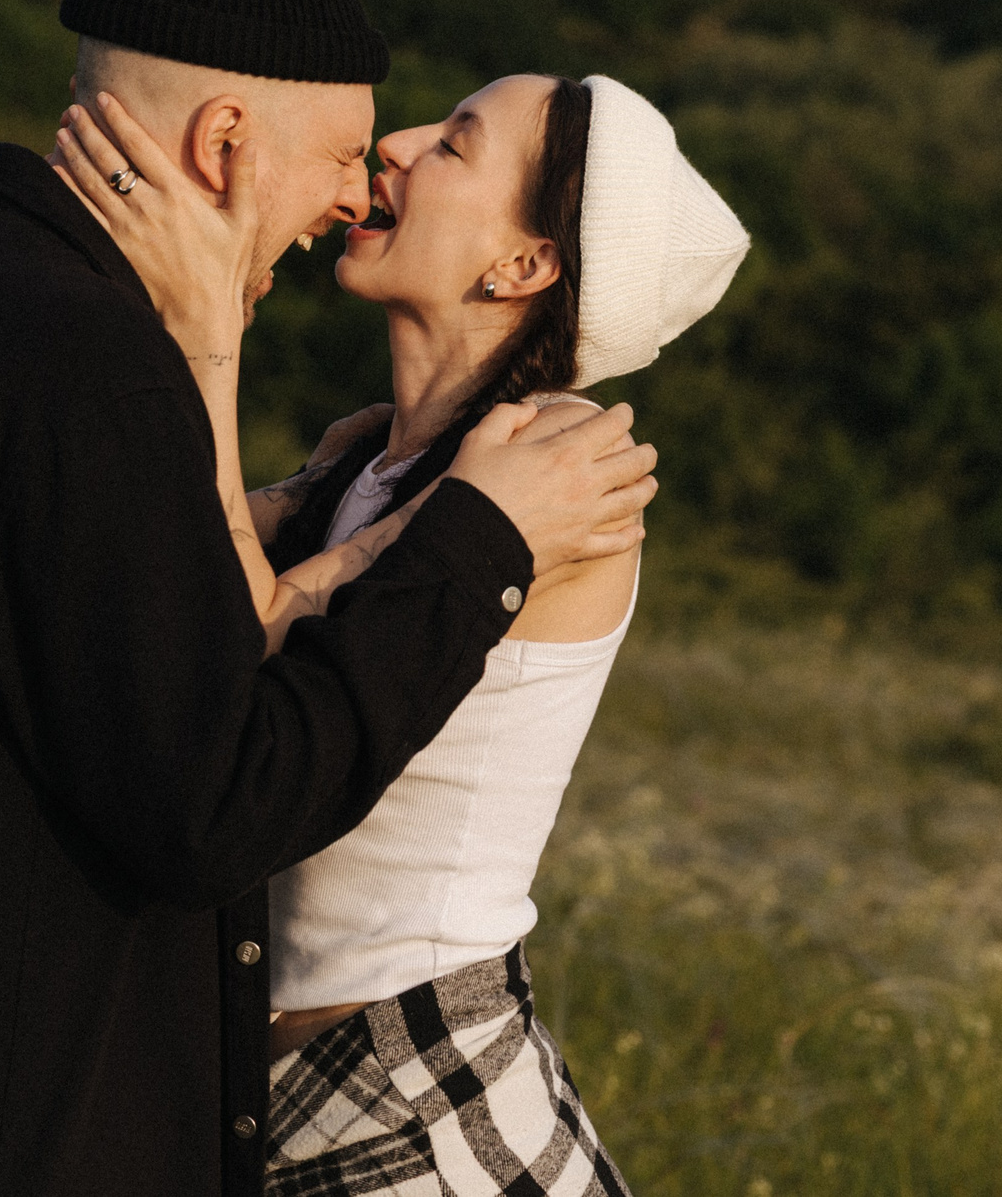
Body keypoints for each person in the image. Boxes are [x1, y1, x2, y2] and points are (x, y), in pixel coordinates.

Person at [0, 0, 660, 1197]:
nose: (361, 188)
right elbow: (214, 796)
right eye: (351, 152)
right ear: (226, 140)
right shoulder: (94, 377)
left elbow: (166, 644)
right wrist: (467, 542)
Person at [56, 64, 749, 1196]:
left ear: (523, 265)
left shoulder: (554, 460)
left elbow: (247, 627)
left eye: (458, 144)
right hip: (307, 1086)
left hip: (422, 1100)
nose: (400, 144)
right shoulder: (368, 457)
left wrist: (205, 323)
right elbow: (191, 566)